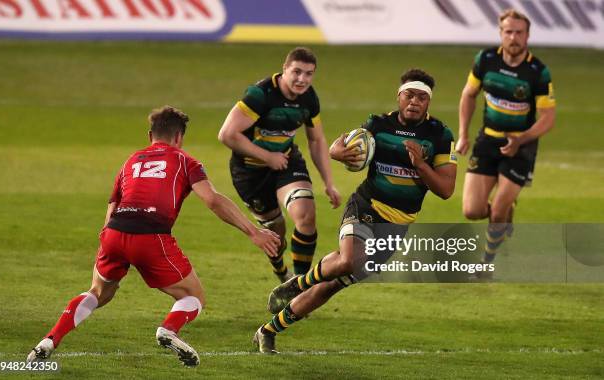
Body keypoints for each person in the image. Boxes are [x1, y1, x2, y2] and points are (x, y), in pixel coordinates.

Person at [26, 106, 280, 367]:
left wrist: (107, 242)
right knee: (193, 296)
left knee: (98, 292)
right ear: (179, 137)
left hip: (114, 231)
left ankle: (50, 339)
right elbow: (213, 200)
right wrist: (253, 231)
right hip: (150, 236)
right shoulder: (185, 160)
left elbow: (113, 205)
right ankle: (168, 330)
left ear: (150, 135)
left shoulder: (131, 160)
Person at [253, 69, 457, 353]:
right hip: (366, 206)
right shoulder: (378, 124)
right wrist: (338, 152)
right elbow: (340, 145)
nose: (414, 102)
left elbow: (446, 190)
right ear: (399, 97)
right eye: (409, 95)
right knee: (349, 260)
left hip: (397, 226)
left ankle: (268, 330)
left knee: (331, 286)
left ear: (428, 103)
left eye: (422, 97)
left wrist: (421, 165)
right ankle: (297, 284)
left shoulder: (440, 135)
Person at [218, 47, 341, 283]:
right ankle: (281, 272)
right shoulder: (261, 94)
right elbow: (227, 134)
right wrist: (266, 156)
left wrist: (329, 183)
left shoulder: (309, 97)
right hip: (249, 172)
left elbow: (316, 140)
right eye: (296, 72)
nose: (302, 79)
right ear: (284, 69)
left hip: (286, 162)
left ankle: (299, 285)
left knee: (305, 216)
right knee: (276, 234)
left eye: (308, 74)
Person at [455, 9, 556, 277]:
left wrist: (520, 139)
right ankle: (505, 209)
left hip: (521, 146)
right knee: (472, 210)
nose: (513, 37)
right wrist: (463, 133)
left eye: (519, 32)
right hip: (487, 140)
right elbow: (468, 94)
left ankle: (486, 263)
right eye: (508, 32)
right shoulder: (486, 59)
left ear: (528, 35)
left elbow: (548, 118)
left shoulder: (538, 72)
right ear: (501, 33)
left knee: (497, 210)